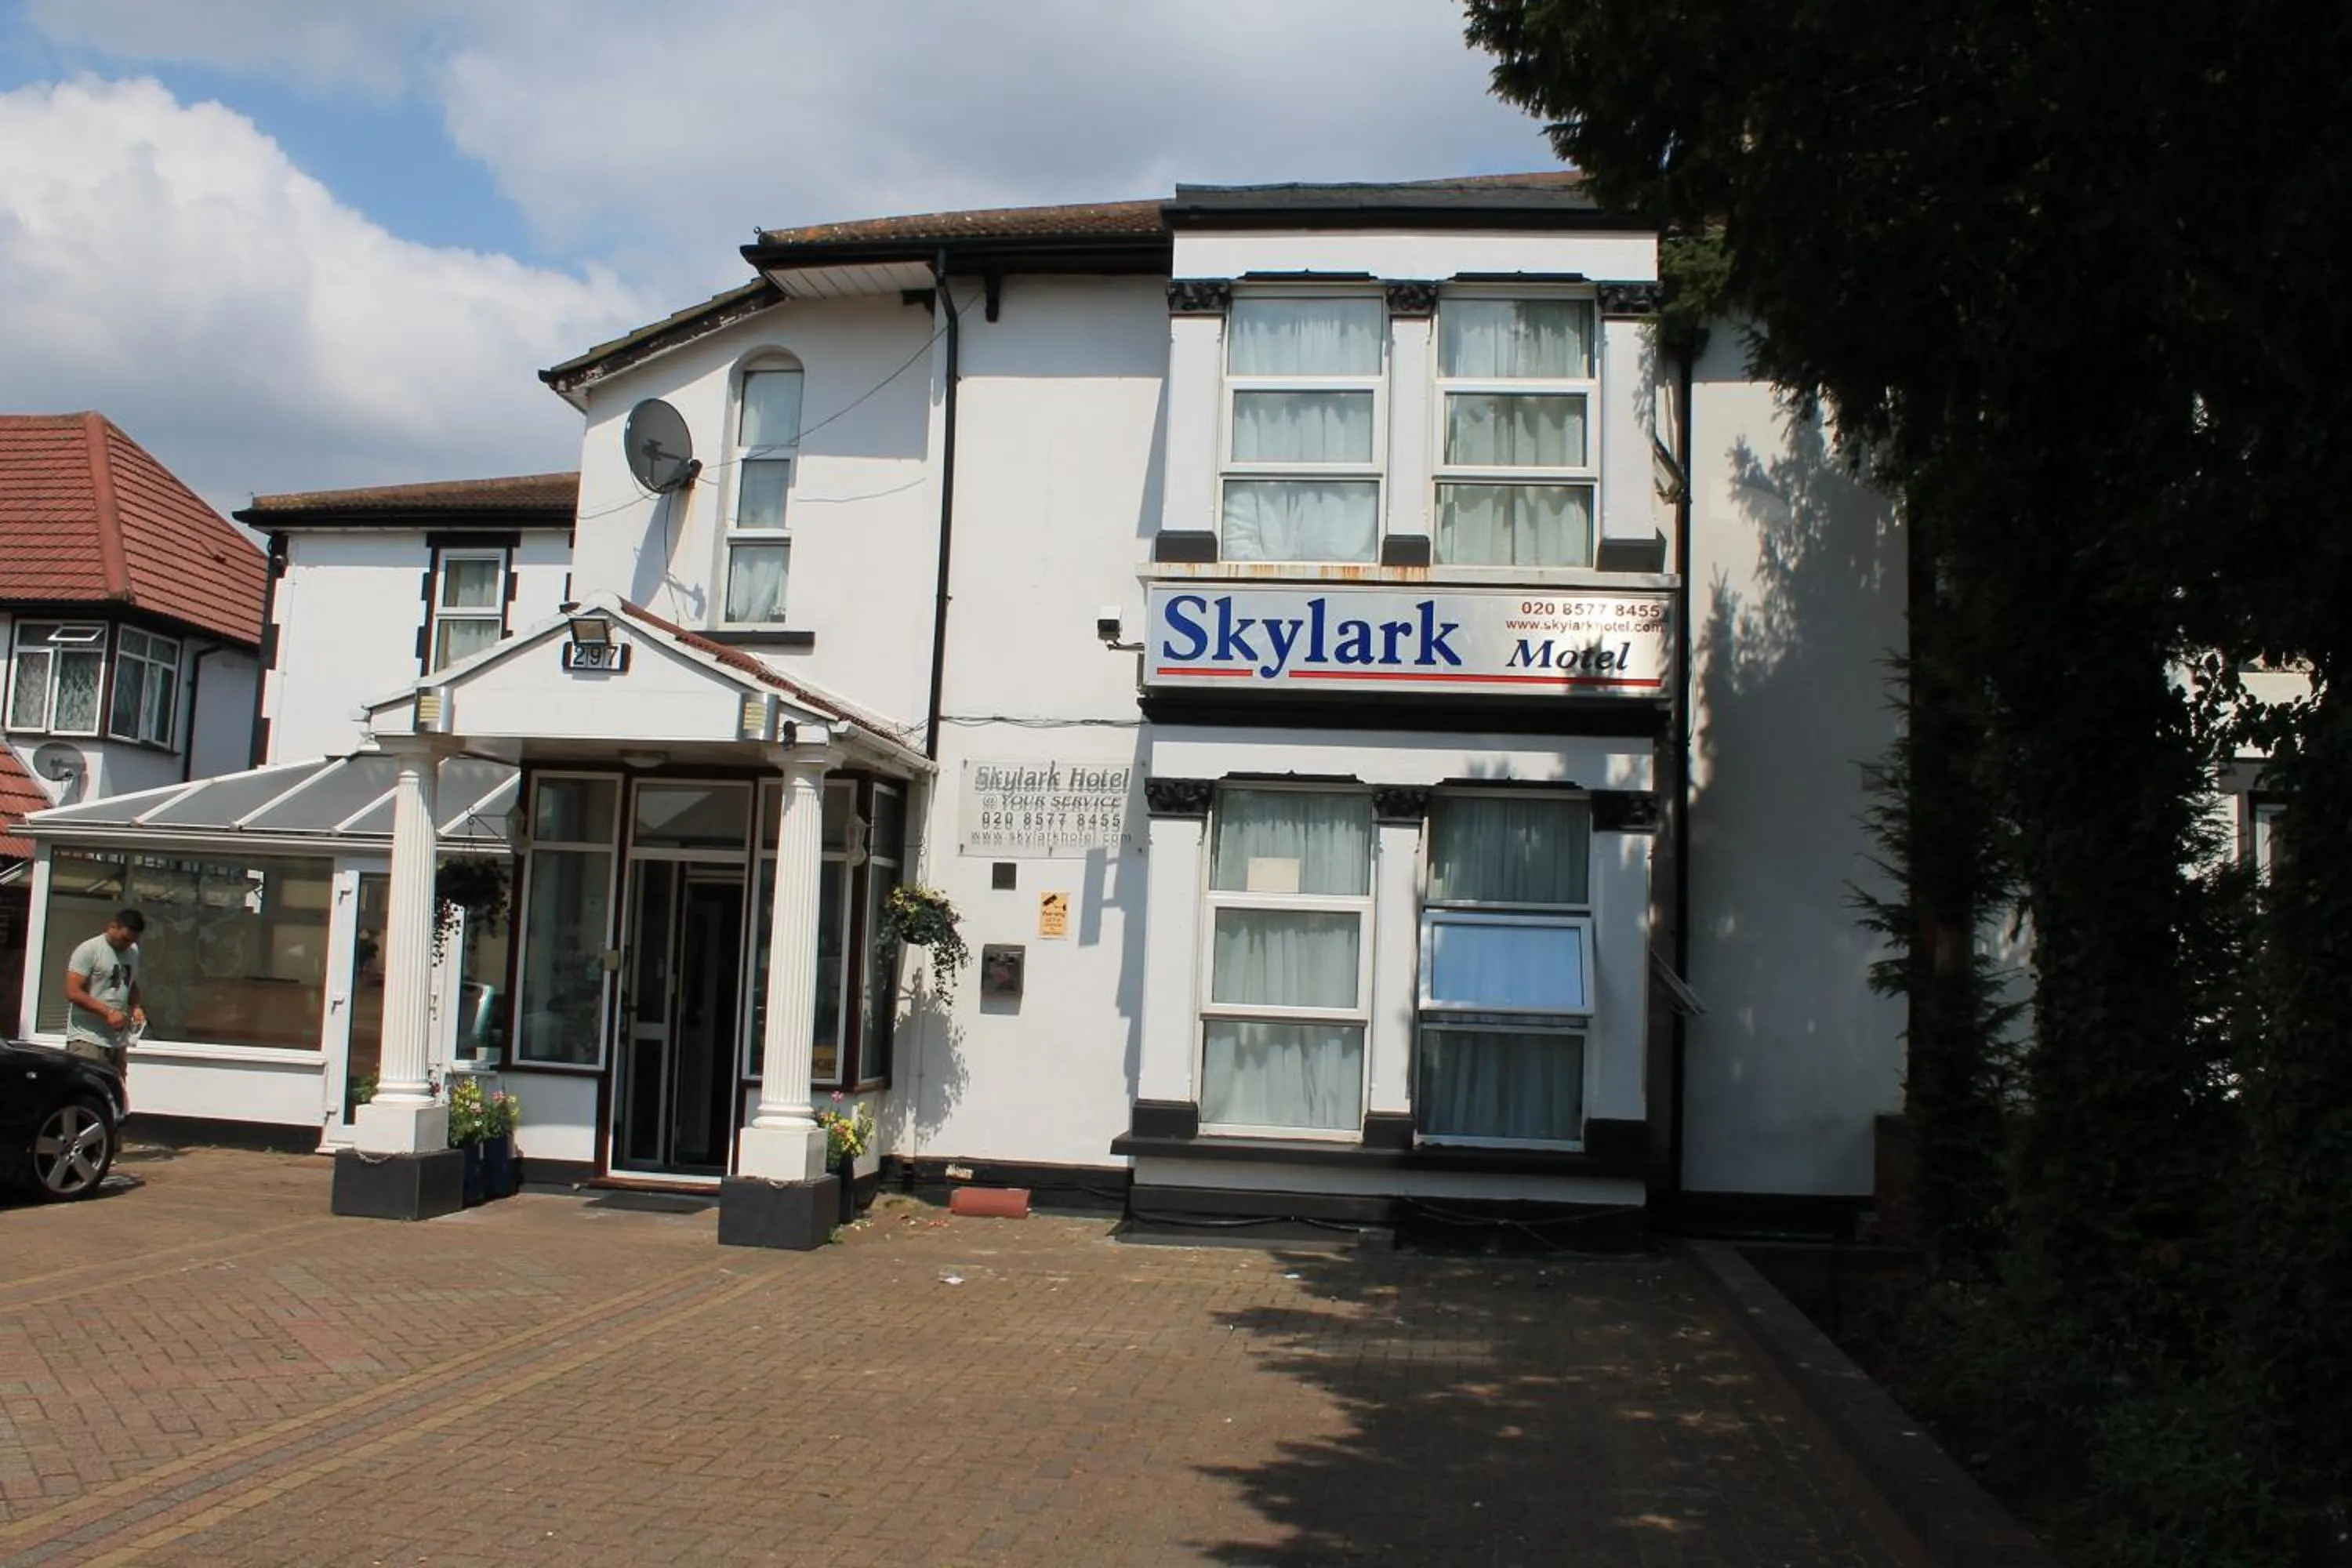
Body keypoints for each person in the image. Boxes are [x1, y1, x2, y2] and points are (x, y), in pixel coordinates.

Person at [63, 908, 146, 1077]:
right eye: (124, 939)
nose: (127, 944)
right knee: (86, 1089)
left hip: (117, 1041)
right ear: (112, 927)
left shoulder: (133, 951)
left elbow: (132, 984)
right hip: (88, 1039)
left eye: (132, 941)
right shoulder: (90, 950)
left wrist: (136, 1007)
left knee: (115, 1091)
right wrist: (107, 1012)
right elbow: (72, 992)